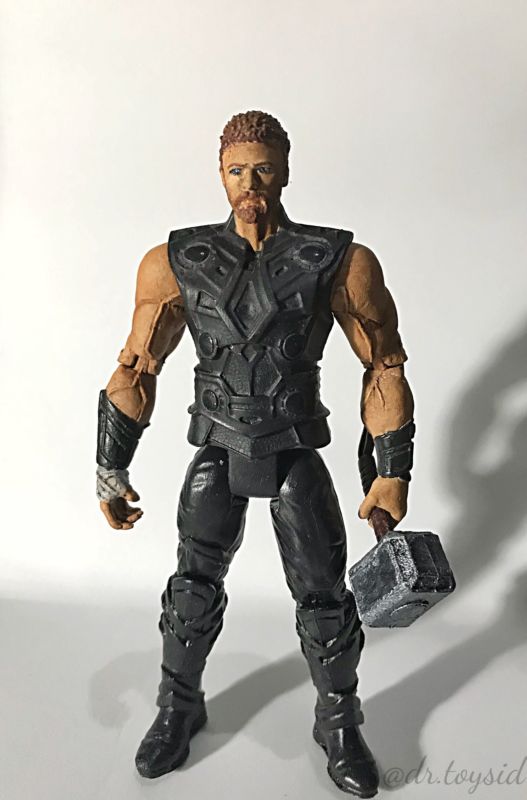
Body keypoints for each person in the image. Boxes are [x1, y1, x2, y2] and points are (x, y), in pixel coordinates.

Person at [96, 110, 415, 798]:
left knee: (324, 598)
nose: (250, 184)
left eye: (263, 168)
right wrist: (110, 466)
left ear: (285, 171)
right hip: (216, 446)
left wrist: (391, 473)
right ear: (220, 174)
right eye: (237, 170)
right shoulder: (175, 261)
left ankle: (339, 721)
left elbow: (383, 366)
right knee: (191, 591)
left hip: (294, 446)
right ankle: (178, 707)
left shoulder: (337, 259)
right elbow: (137, 365)